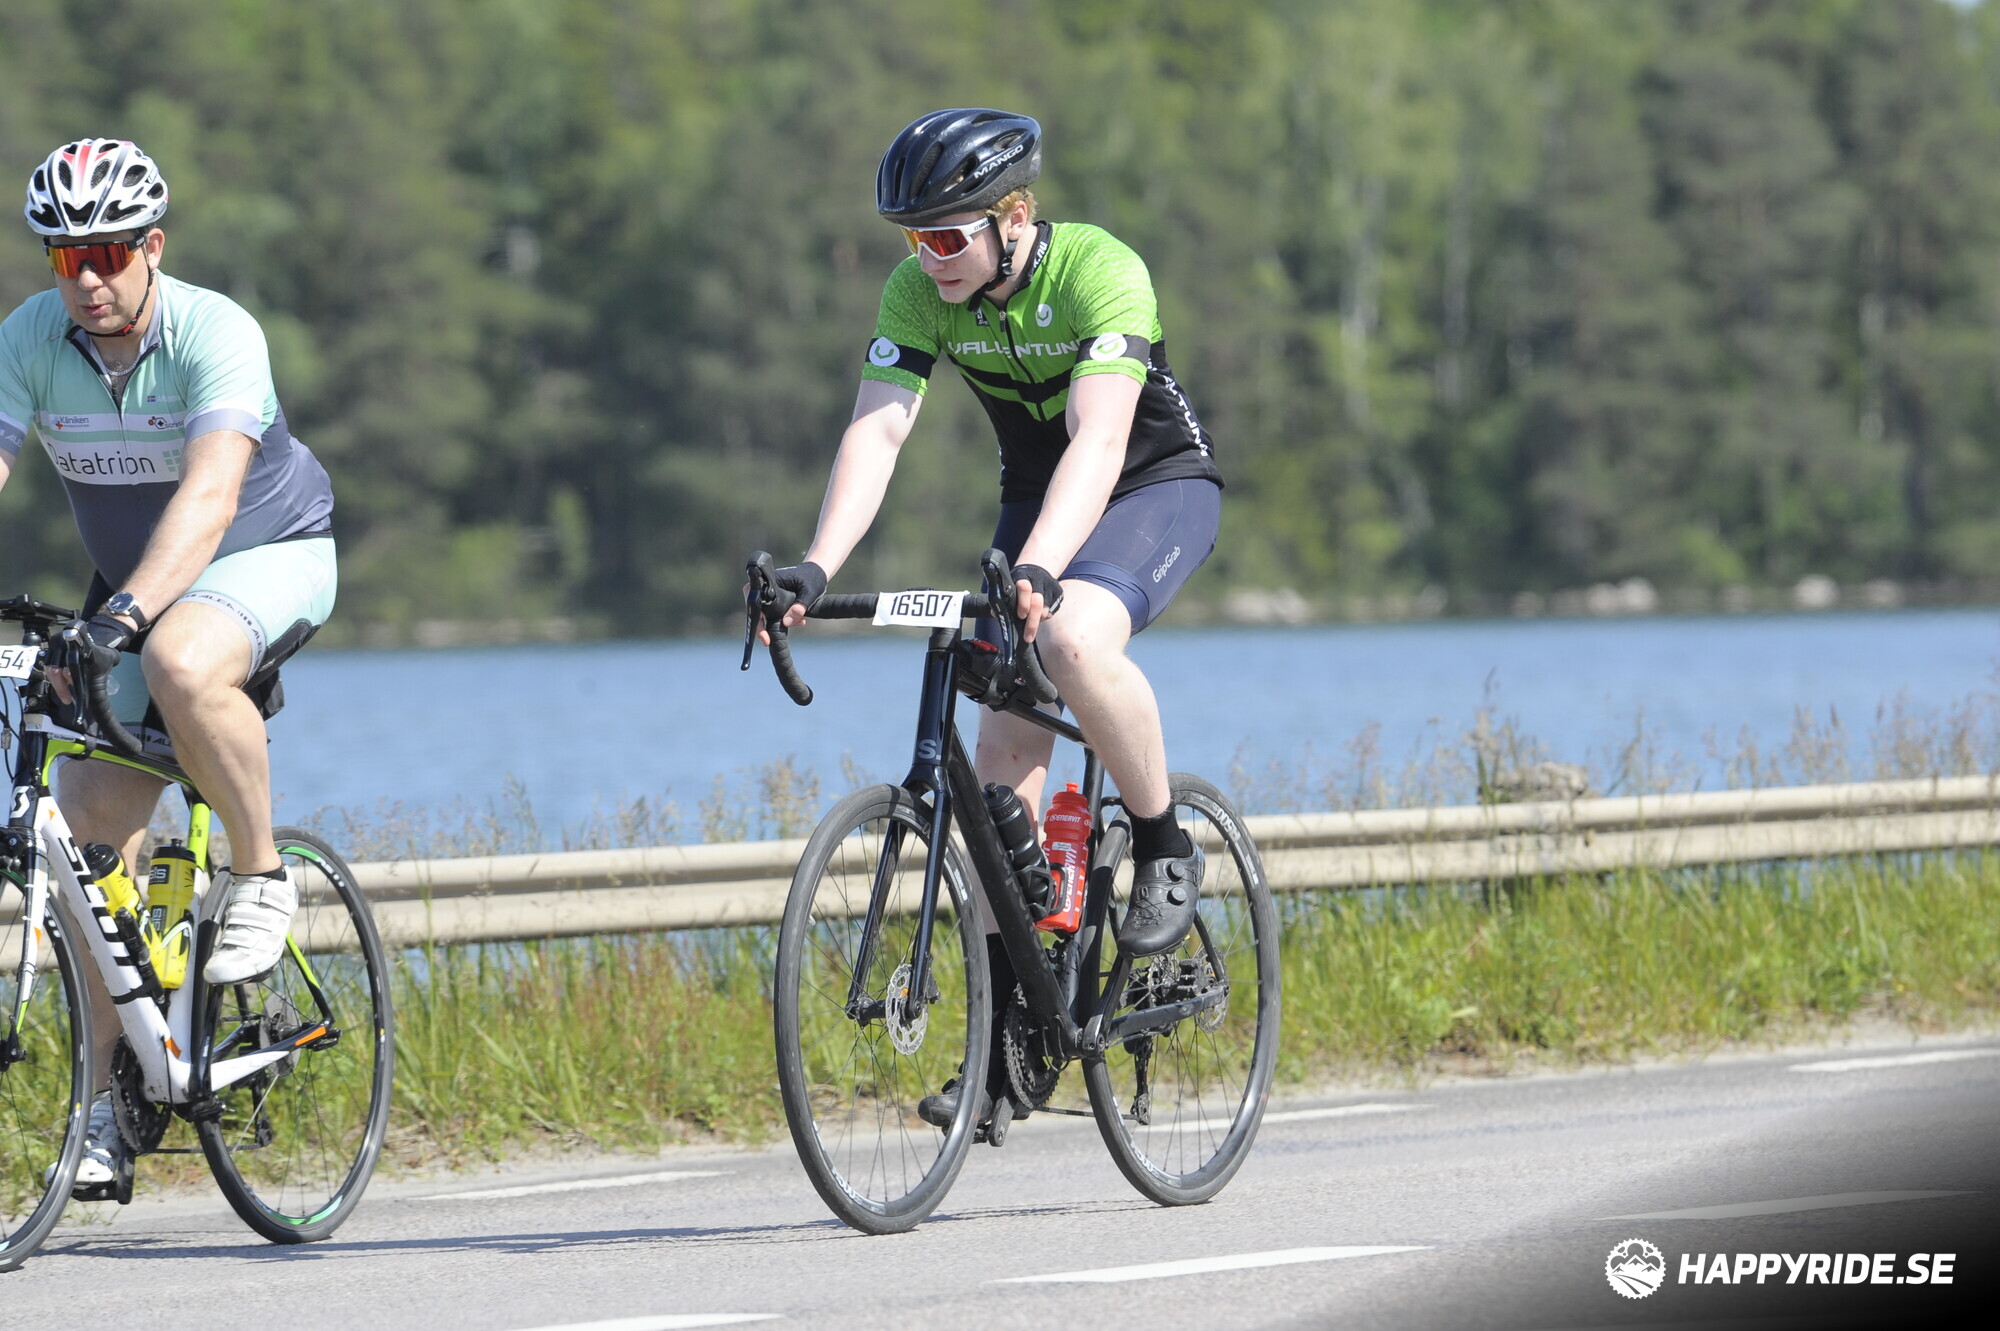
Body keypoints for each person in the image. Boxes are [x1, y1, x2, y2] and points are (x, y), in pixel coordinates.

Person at [762, 108, 1224, 1128]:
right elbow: (878, 434)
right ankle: (1017, 1029)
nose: (924, 260)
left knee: (1069, 638)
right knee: (1001, 740)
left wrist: (1042, 570)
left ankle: (1163, 842)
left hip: (1151, 485)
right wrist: (815, 566)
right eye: (910, 239)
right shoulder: (917, 292)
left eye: (943, 236)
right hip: (1033, 499)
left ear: (1013, 217)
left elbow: (1098, 441)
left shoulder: (1101, 270)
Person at [0, 139, 337, 1192]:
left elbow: (211, 498)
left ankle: (262, 872)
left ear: (152, 246)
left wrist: (124, 617)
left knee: (183, 659)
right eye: (66, 258)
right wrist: (119, 615)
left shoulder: (216, 331)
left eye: (107, 253)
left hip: (266, 552)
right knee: (85, 825)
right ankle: (115, 1096)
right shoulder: (27, 339)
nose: (88, 279)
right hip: (137, 587)